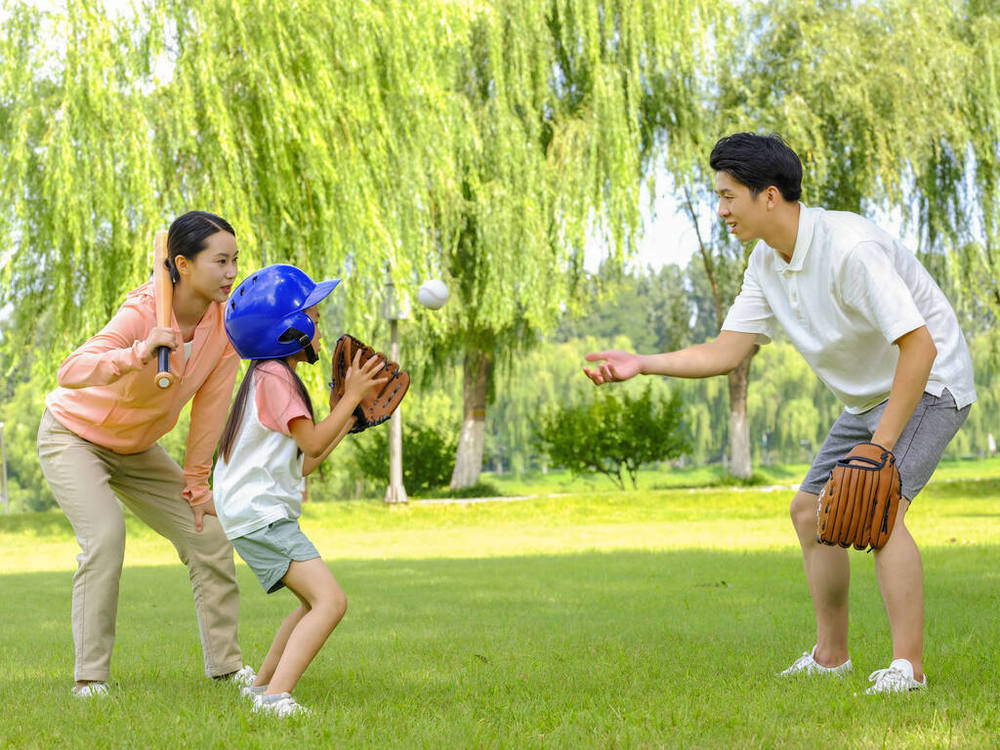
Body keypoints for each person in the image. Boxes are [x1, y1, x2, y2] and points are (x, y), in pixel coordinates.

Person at [583, 133, 975, 694]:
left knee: (879, 507)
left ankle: (906, 669)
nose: (720, 210)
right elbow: (727, 350)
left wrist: (879, 450)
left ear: (769, 196)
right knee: (810, 512)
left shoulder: (849, 248)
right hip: (866, 396)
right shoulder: (766, 262)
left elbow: (921, 347)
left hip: (929, 384)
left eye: (727, 196)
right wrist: (642, 363)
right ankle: (830, 656)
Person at [37, 211, 254, 697]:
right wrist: (136, 354)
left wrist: (198, 485)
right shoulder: (142, 311)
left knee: (208, 535)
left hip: (136, 449)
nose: (231, 272)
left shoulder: (224, 328)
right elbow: (70, 370)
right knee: (106, 536)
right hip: (74, 436)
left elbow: (209, 413)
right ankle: (90, 680)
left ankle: (227, 668)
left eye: (235, 260)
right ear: (182, 263)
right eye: (220, 261)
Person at [213, 264, 386, 717]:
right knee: (331, 602)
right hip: (261, 515)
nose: (319, 322)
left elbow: (305, 460)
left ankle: (262, 686)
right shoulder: (275, 378)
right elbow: (310, 442)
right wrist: (351, 395)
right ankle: (275, 698)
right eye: (312, 312)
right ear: (290, 328)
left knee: (312, 602)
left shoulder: (268, 377)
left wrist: (348, 420)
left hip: (254, 514)